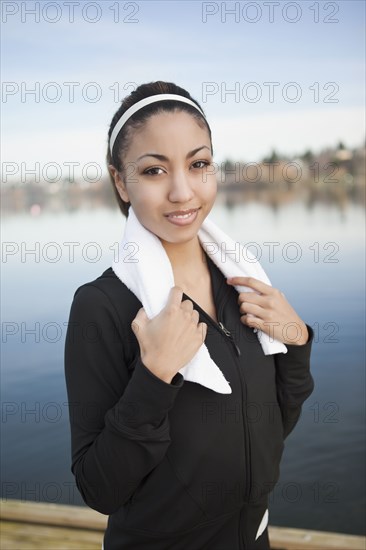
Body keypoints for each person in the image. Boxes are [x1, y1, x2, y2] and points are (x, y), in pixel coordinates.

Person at [64, 80, 314, 550]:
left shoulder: (243, 283)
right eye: (155, 170)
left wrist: (297, 341)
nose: (183, 192)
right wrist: (155, 376)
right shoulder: (102, 306)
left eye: (198, 164)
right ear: (121, 181)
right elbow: (99, 488)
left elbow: (271, 426)